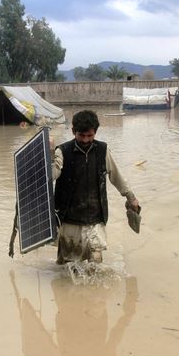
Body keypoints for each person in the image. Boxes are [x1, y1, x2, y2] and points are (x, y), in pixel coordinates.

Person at [51, 110, 140, 265]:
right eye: (82, 135)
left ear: (95, 133)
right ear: (73, 131)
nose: (86, 140)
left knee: (96, 261)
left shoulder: (102, 150)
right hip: (69, 218)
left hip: (95, 216)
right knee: (67, 263)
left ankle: (94, 289)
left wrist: (130, 196)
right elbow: (52, 174)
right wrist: (49, 154)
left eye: (90, 136)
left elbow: (116, 176)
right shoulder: (62, 151)